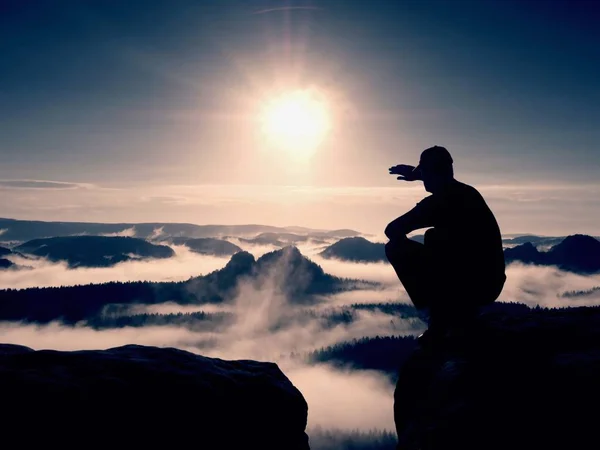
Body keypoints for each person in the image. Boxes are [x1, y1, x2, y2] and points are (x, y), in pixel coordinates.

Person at [386, 146, 506, 449]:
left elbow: (393, 230)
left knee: (402, 246)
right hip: (489, 283)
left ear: (430, 173)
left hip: (468, 286)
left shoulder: (439, 202)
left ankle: (440, 318)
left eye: (423, 171)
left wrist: (422, 186)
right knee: (437, 238)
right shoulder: (467, 192)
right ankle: (452, 315)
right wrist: (422, 175)